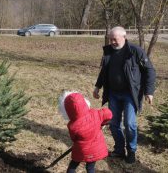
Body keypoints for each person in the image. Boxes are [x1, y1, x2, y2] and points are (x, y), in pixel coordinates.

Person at [93, 26, 156, 164]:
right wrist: (98, 87)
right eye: (110, 39)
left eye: (114, 39)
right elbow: (104, 71)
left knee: (129, 123)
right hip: (113, 94)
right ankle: (119, 150)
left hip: (130, 94)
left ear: (124, 37)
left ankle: (131, 151)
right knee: (114, 123)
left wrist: (149, 92)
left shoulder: (135, 51)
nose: (112, 42)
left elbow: (149, 71)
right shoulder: (108, 52)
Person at [58, 91, 112, 173]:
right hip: (95, 149)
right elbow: (108, 113)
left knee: (72, 167)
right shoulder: (95, 113)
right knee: (90, 168)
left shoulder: (72, 126)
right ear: (84, 103)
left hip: (81, 150)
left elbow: (74, 139)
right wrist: (103, 122)